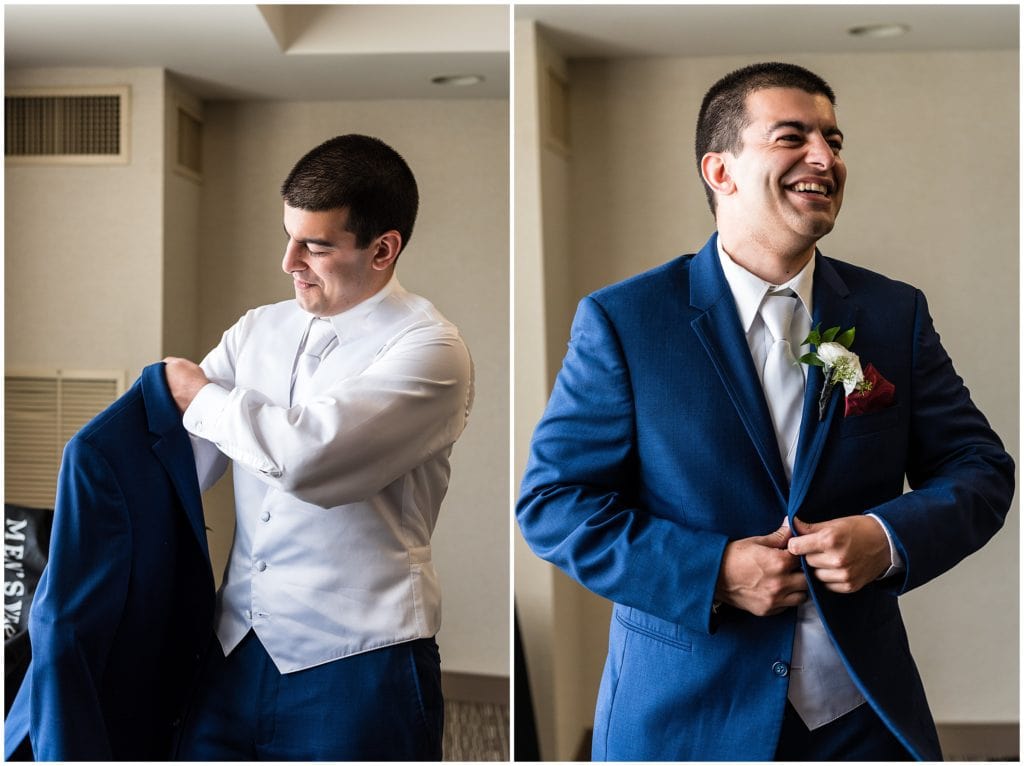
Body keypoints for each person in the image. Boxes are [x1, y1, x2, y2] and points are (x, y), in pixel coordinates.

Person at [516, 62, 1013, 761]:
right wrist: (712, 571)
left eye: (834, 141)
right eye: (794, 136)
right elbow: (553, 503)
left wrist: (885, 535)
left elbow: (980, 469)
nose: (825, 157)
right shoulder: (625, 321)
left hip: (861, 716)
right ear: (720, 171)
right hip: (685, 717)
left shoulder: (892, 313)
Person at [164, 134, 474, 760]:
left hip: (361, 660)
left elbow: (306, 461)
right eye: (288, 235)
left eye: (315, 244)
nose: (288, 261)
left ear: (383, 249)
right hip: (234, 648)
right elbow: (182, 458)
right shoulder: (258, 328)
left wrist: (198, 395)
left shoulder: (432, 352)